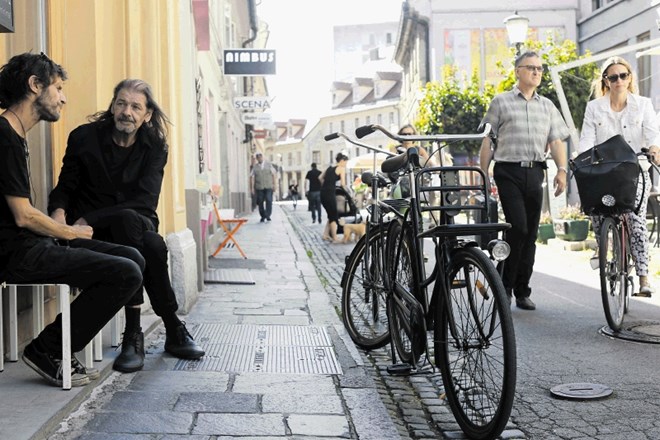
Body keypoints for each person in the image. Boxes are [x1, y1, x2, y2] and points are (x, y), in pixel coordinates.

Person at [0, 52, 145, 387]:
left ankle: (55, 346)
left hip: (30, 245)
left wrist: (64, 233)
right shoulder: (4, 136)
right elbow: (22, 216)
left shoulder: (15, 135)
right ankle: (47, 349)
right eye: (58, 87)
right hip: (14, 253)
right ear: (35, 86)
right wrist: (67, 231)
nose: (64, 97)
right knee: (125, 272)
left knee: (132, 257)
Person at [48, 78, 205, 373]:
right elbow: (65, 187)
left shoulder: (154, 146)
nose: (126, 112)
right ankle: (171, 326)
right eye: (121, 103)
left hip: (132, 220)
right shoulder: (84, 137)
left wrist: (93, 217)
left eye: (135, 106)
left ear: (146, 115)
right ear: (112, 105)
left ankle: (133, 334)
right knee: (153, 245)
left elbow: (145, 203)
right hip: (91, 235)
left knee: (130, 221)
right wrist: (57, 215)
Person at [479, 51, 570, 311]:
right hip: (508, 171)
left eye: (540, 69)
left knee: (529, 234)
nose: (537, 72)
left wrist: (561, 170)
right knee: (516, 227)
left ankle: (521, 290)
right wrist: (483, 174)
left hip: (535, 172)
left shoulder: (547, 106)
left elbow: (556, 141)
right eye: (531, 68)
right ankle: (504, 286)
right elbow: (488, 140)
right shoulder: (500, 102)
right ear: (517, 71)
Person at [578, 56, 660, 297]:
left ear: (630, 78)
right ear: (605, 81)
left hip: (636, 171)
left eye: (623, 75)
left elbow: (653, 134)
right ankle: (603, 244)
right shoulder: (594, 107)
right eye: (613, 77)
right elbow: (586, 140)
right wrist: (582, 159)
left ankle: (644, 277)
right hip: (604, 173)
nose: (619, 80)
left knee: (636, 221)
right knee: (596, 209)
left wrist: (654, 148)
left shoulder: (643, 105)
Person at [320, 152, 349, 242]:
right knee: (333, 215)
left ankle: (325, 235)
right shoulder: (341, 169)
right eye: (345, 162)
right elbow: (343, 184)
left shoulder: (329, 169)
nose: (346, 164)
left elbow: (320, 177)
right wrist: (348, 191)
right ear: (341, 161)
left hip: (323, 193)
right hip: (330, 193)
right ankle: (335, 237)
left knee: (330, 213)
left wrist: (326, 185)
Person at [250, 152, 277, 222]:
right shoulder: (255, 167)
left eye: (260, 157)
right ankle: (262, 216)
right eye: (258, 157)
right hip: (259, 187)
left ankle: (268, 215)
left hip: (268, 186)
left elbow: (274, 174)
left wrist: (274, 185)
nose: (259, 158)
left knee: (269, 200)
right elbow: (252, 177)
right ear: (257, 159)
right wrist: (252, 188)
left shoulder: (269, 165)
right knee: (260, 202)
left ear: (263, 157)